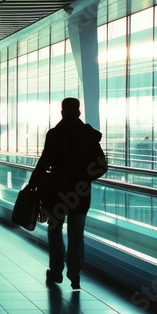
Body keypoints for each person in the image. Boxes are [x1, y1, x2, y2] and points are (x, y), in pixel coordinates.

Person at [29, 97, 107, 289]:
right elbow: (102, 164)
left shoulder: (55, 134)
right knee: (76, 235)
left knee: (55, 230)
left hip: (56, 192)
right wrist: (85, 178)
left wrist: (33, 183)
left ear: (62, 112)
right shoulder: (88, 135)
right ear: (79, 112)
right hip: (80, 192)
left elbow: (45, 160)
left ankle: (56, 271)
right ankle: (75, 274)